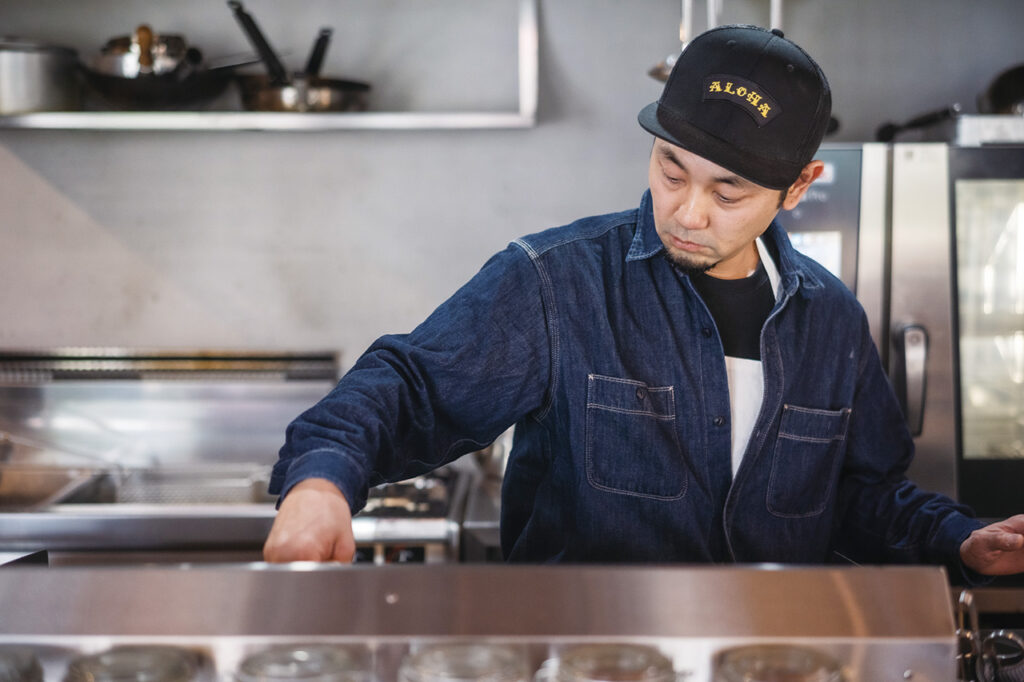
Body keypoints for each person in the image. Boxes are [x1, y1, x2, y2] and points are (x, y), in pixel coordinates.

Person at [262, 24, 1024, 578]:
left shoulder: (830, 320)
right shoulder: (557, 283)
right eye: (671, 169)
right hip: (588, 659)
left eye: (729, 190)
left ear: (798, 187)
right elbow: (411, 387)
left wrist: (958, 538)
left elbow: (862, 497)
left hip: (768, 659)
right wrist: (322, 481)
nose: (688, 212)